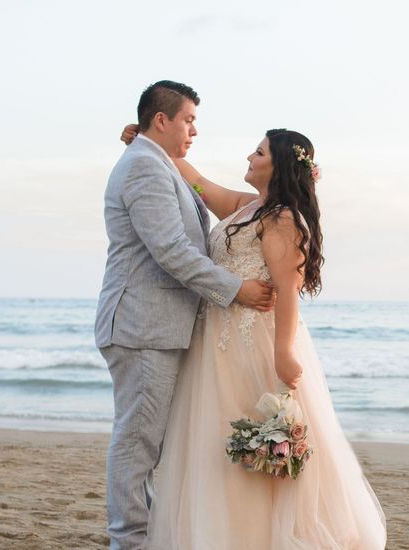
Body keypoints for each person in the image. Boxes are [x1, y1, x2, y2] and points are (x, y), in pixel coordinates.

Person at [120, 124, 388, 549]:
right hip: (214, 344)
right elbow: (198, 183)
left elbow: (287, 291)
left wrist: (283, 352)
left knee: (252, 443)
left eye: (258, 152)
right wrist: (148, 143)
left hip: (253, 346)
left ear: (278, 164)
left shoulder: (283, 219)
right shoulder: (247, 207)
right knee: (214, 442)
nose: (249, 157)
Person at [95, 81, 275, 550]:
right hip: (143, 328)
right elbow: (171, 250)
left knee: (147, 444)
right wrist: (236, 289)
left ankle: (147, 537)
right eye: (189, 119)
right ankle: (129, 542)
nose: (195, 129)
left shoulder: (154, 161)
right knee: (137, 445)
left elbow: (199, 196)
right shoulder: (143, 168)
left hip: (156, 327)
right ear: (163, 120)